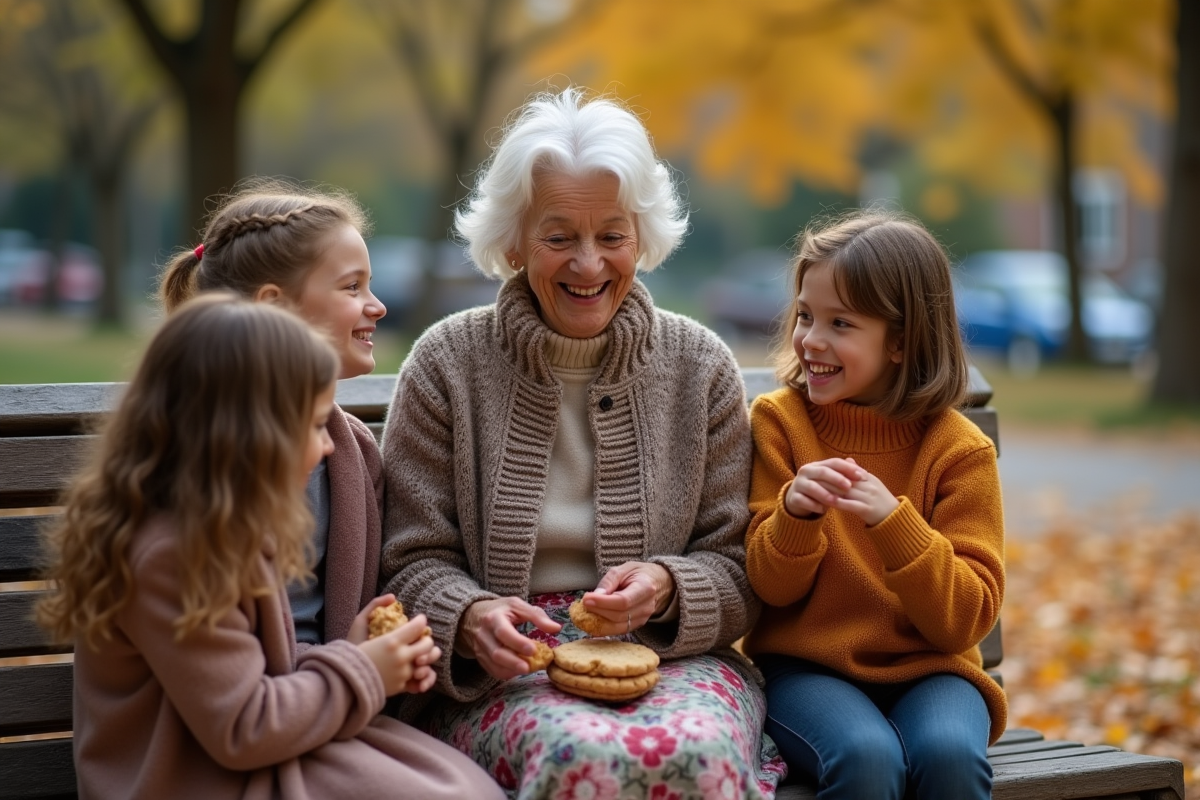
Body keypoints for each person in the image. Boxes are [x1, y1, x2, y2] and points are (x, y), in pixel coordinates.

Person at [379, 87, 784, 798]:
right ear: (511, 240)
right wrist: (470, 619)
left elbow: (740, 564)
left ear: (644, 236)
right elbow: (408, 560)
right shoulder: (447, 363)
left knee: (696, 753)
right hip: (501, 675)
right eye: (559, 236)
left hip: (675, 661)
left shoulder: (700, 366)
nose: (589, 266)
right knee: (580, 757)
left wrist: (666, 587)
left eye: (613, 236)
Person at [37, 295, 504, 800]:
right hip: (192, 777)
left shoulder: (221, 529)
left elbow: (247, 676)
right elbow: (243, 726)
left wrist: (352, 651)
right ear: (251, 432)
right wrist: (364, 668)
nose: (328, 446)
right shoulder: (173, 555)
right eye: (312, 424)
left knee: (456, 782)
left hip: (245, 754)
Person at [741, 209, 1007, 800]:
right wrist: (795, 518)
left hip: (933, 671)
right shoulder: (781, 425)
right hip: (808, 670)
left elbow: (965, 619)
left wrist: (894, 524)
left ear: (902, 340)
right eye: (806, 316)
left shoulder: (959, 452)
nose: (811, 340)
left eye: (841, 323)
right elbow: (769, 588)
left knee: (948, 759)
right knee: (865, 760)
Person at [159, 178, 386, 650]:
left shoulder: (355, 451)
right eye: (352, 287)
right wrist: (359, 667)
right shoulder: (197, 469)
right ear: (274, 308)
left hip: (327, 698)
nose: (377, 305)